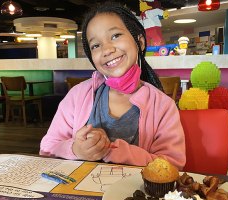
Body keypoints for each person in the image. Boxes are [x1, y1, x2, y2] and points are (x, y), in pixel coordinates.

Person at [40, 2, 186, 169]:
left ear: (140, 41)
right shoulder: (77, 95)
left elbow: (172, 165)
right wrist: (75, 149)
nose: (107, 49)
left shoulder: (162, 105)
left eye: (115, 35)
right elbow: (47, 148)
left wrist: (111, 149)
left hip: (134, 194)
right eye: (95, 45)